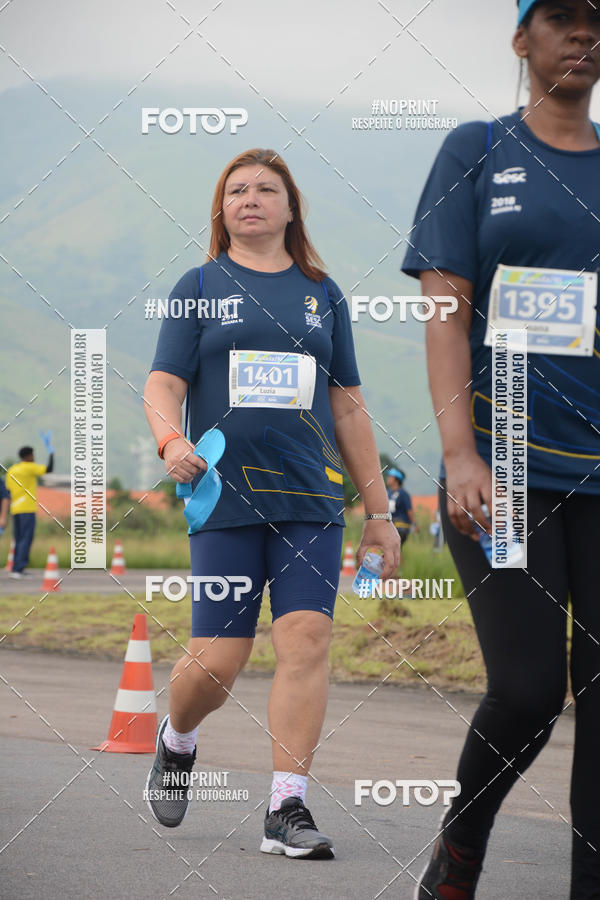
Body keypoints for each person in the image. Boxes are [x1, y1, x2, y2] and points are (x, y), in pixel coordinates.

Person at [144, 148, 400, 858]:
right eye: (236, 190)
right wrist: (170, 444)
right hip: (223, 496)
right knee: (218, 663)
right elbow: (163, 384)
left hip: (310, 500)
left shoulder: (324, 292)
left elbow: (347, 407)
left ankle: (287, 807)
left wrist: (379, 513)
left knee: (306, 641)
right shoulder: (199, 285)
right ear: (221, 211)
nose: (249, 198)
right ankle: (178, 738)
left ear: (291, 209)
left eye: (265, 189)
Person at [402, 2, 600, 896]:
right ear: (523, 40)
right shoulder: (477, 149)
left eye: (598, 20)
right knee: (526, 693)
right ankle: (462, 845)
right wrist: (461, 452)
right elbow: (446, 313)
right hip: (506, 463)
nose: (583, 34)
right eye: (560, 17)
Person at [6, 437, 54, 579]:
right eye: (32, 455)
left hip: (15, 509)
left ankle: (15, 568)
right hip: (27, 508)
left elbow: (8, 490)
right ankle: (19, 569)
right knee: (26, 539)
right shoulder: (29, 467)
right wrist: (51, 452)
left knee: (18, 539)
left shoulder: (12, 470)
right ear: (28, 456)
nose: (33, 457)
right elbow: (48, 469)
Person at [385, 467, 416, 546]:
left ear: (396, 480)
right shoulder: (387, 493)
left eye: (390, 477)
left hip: (401, 526)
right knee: (391, 550)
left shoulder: (403, 494)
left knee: (394, 548)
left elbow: (409, 510)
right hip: (390, 525)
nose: (387, 478)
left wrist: (414, 524)